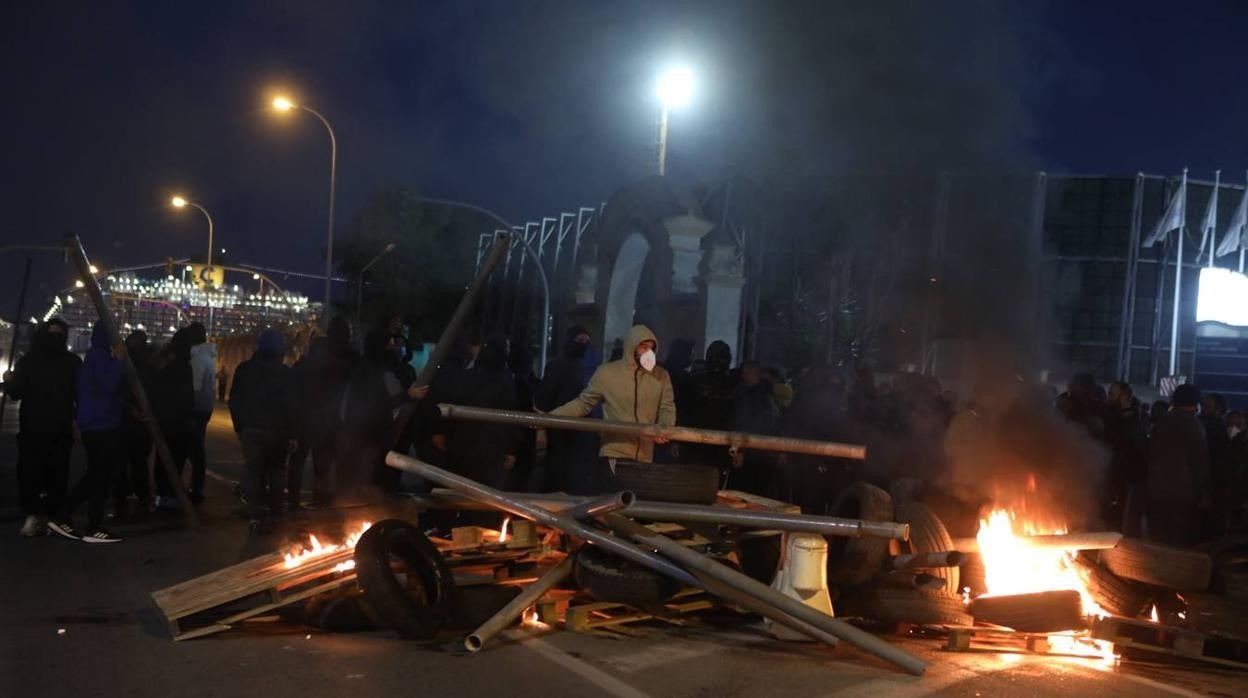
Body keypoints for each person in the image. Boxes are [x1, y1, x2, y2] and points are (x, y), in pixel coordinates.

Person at [550, 325, 676, 492]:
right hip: (615, 453)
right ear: (631, 346)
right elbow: (582, 404)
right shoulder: (607, 373)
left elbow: (667, 406)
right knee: (615, 505)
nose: (648, 352)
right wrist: (550, 418)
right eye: (643, 346)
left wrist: (665, 426)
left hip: (646, 456)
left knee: (638, 509)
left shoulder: (661, 376)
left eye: (651, 348)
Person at [3, 319, 80, 537]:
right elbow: (80, 393)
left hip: (38, 427)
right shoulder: (71, 362)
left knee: (35, 473)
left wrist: (8, 381)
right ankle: (49, 515)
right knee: (51, 473)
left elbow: (16, 391)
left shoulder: (29, 361)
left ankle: (38, 514)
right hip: (51, 428)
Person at [51, 323, 125, 542]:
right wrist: (119, 361)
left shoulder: (94, 357)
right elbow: (109, 386)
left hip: (95, 424)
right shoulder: (101, 357)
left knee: (96, 475)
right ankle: (92, 526)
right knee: (99, 477)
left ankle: (65, 516)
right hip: (102, 425)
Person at [439, 334, 523, 499]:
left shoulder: (466, 377)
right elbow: (511, 416)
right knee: (487, 499)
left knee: (459, 496)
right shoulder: (505, 381)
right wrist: (512, 450)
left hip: (462, 446)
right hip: (491, 450)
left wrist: (446, 436)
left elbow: (452, 406)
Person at [229, 329, 294, 531]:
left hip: (252, 430)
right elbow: (292, 405)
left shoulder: (245, 369)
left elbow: (235, 400)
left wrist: (240, 426)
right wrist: (291, 433)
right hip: (278, 432)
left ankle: (254, 512)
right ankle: (276, 513)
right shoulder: (284, 373)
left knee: (254, 471)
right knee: (276, 472)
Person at [534, 326, 601, 493]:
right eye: (580, 341)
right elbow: (544, 397)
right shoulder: (556, 366)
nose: (583, 345)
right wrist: (541, 428)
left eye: (587, 341)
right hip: (559, 429)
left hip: (584, 431)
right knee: (557, 474)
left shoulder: (592, 369)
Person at [1145, 384, 1211, 546]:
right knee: (1179, 541)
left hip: (1155, 490)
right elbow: (1199, 461)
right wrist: (1204, 491)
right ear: (1196, 402)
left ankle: (1154, 569)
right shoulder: (1193, 425)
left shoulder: (1161, 422)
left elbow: (1148, 453)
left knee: (1158, 539)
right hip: (1182, 494)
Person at [152, 328, 195, 509]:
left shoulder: (163, 360)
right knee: (176, 457)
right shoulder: (183, 365)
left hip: (163, 417)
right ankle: (170, 493)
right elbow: (186, 395)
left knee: (162, 457)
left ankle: (162, 492)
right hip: (178, 420)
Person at [728, 361, 781, 496]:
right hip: (762, 455)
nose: (744, 376)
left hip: (755, 455)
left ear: (756, 374)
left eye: (748, 372)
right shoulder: (764, 395)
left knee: (746, 493)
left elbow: (748, 423)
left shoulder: (756, 396)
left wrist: (742, 451)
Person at [118, 330, 155, 516]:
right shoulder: (149, 364)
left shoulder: (124, 363)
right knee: (139, 462)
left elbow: (118, 390)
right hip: (141, 421)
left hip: (127, 420)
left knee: (125, 461)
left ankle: (123, 498)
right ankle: (142, 497)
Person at [1102, 381, 1147, 532]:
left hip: (1128, 474)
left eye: (1112, 394)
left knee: (1125, 516)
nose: (1108, 397)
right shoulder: (1109, 414)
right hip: (1113, 471)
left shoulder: (1137, 418)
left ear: (1124, 396)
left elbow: (1131, 444)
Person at [186, 322, 216, 504]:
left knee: (194, 450)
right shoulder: (208, 356)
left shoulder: (197, 357)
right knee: (196, 450)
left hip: (195, 409)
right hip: (205, 407)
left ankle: (196, 490)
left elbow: (195, 387)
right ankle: (197, 488)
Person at [1200, 392, 1234, 537]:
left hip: (1211, 487)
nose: (1202, 410)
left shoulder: (1212, 430)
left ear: (1218, 410)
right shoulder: (1219, 430)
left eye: (1207, 407)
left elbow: (1215, 462)